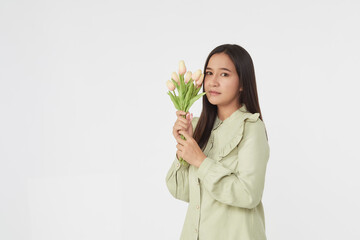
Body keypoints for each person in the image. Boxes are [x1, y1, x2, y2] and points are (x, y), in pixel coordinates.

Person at [165, 44, 270, 240]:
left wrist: (201, 161)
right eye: (209, 73)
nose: (213, 82)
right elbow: (182, 191)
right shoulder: (198, 127)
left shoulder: (251, 128)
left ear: (242, 83)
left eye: (224, 74)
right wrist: (183, 147)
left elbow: (249, 195)